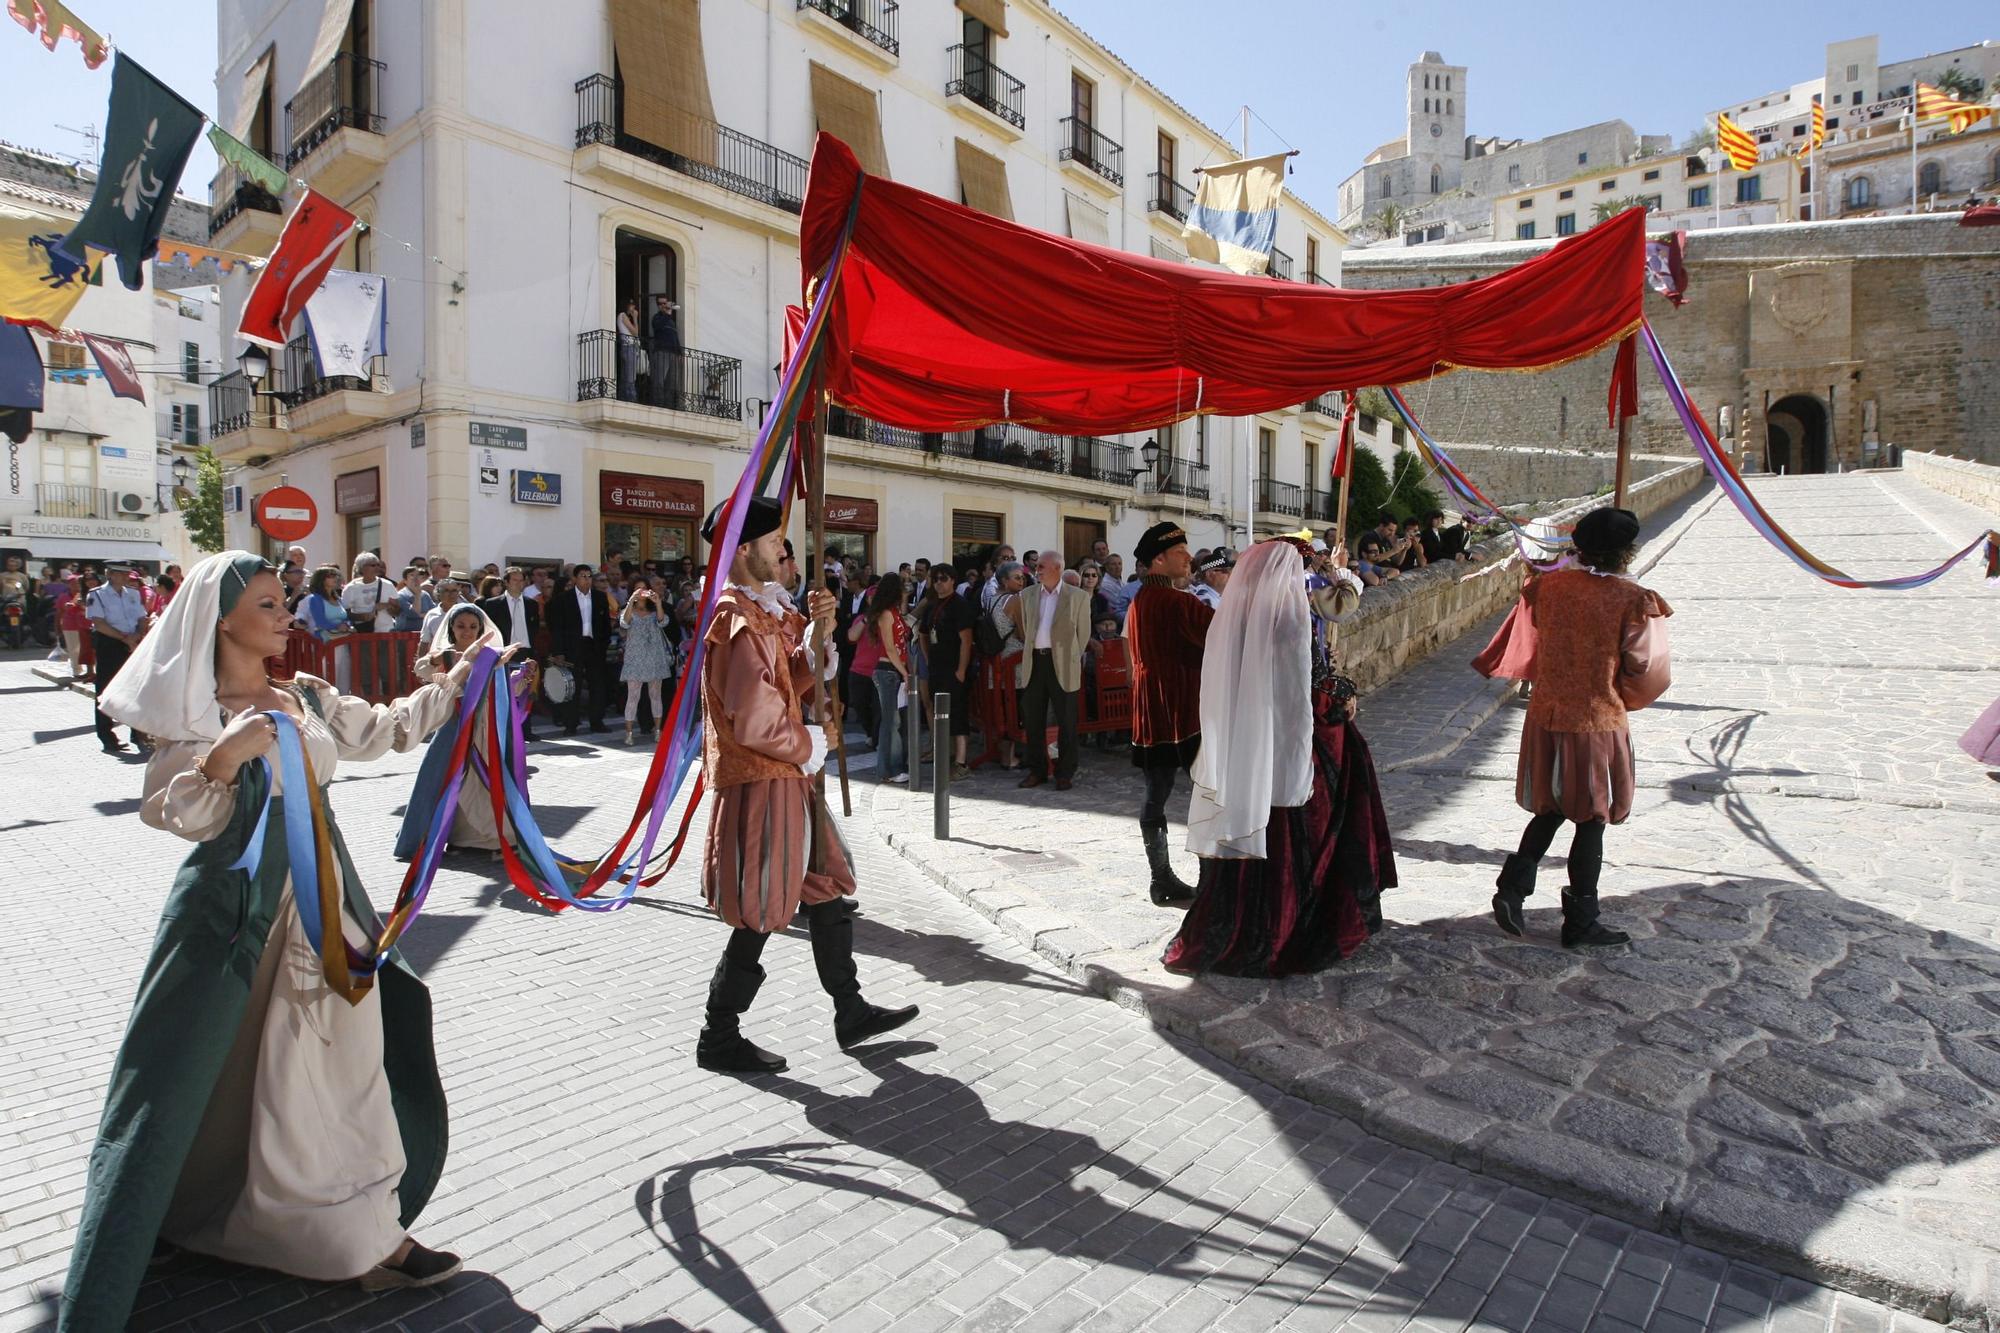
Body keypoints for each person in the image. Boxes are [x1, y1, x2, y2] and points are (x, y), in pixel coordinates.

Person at [62, 553, 472, 1333]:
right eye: (268, 604)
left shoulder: (305, 693)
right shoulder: (203, 711)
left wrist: (457, 681)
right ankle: (198, 1210)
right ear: (222, 621)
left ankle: (366, 1234)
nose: (287, 615)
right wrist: (225, 753)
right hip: (235, 913)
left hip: (326, 900)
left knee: (341, 1069)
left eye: (286, 601)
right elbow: (171, 809)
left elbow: (383, 729)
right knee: (220, 1078)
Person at [692, 497, 917, 1074]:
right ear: (745, 548)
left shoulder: (761, 610)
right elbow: (758, 718)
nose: (784, 555)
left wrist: (819, 632)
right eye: (775, 545)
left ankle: (850, 1008)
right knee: (762, 905)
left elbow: (793, 674)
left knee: (823, 883)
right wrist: (810, 743)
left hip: (790, 775)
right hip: (766, 777)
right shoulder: (735, 618)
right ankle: (719, 1033)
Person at [1164, 538, 1397, 975]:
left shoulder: (1236, 619)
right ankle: (1290, 927)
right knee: (1310, 830)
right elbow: (1299, 695)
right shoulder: (1289, 620)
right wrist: (1337, 697)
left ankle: (1239, 924)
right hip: (1286, 746)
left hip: (1248, 747)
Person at [1495, 507, 1672, 950]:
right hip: (1595, 718)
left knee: (1551, 808)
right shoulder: (1632, 600)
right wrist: (1625, 697)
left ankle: (1512, 890)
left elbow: (1530, 642)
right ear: (1625, 552)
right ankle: (1581, 920)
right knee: (1592, 818)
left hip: (1546, 714)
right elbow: (1645, 665)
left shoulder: (1546, 588)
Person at [396, 602, 532, 856]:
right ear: (451, 628)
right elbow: (422, 670)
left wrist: (523, 677)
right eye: (461, 626)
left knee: (484, 781)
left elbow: (502, 689)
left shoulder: (490, 655)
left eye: (472, 626)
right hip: (452, 727)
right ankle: (450, 837)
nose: (467, 631)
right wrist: (440, 658)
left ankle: (494, 839)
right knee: (444, 780)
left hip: (483, 727)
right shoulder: (445, 655)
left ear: (481, 628)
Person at [1126, 523, 1214, 906]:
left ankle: (1160, 879)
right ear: (1159, 560)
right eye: (1182, 551)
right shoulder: (1179, 603)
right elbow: (1224, 636)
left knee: (1156, 794)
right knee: (1210, 792)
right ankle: (1213, 882)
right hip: (1185, 707)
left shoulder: (1139, 600)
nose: (1189, 557)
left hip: (1151, 710)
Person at [1011, 551, 1091, 790]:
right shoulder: (1027, 595)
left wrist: (1073, 657)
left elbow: (1083, 634)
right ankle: (1037, 770)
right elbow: (1024, 628)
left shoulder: (1077, 596)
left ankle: (1064, 773)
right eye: (1037, 567)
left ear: (1057, 568)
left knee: (1067, 720)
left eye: (1042, 566)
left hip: (1064, 663)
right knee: (1033, 719)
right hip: (1036, 661)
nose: (1037, 570)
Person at [86, 564, 152, 754]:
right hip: (110, 642)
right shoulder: (97, 594)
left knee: (135, 689)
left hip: (133, 641)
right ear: (110, 575)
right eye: (121, 574)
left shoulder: (132, 593)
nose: (125, 577)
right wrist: (125, 638)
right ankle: (107, 736)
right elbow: (98, 623)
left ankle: (137, 733)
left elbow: (141, 617)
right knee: (105, 688)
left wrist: (137, 636)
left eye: (127, 574)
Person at [922, 561, 977, 779]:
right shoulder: (932, 605)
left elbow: (966, 640)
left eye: (943, 579)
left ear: (953, 580)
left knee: (958, 713)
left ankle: (961, 761)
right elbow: (924, 634)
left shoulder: (960, 605)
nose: (939, 583)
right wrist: (928, 659)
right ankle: (944, 755)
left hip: (955, 668)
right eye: (935, 579)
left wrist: (961, 669)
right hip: (937, 668)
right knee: (939, 713)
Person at [859, 572, 912, 784]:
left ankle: (892, 767)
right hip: (889, 671)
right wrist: (905, 672)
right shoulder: (886, 615)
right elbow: (890, 649)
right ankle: (890, 769)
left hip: (894, 670)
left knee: (894, 722)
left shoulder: (893, 612)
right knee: (891, 723)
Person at [547, 563, 612, 734]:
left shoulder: (599, 597)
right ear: (575, 579)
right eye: (583, 576)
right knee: (572, 685)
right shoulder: (564, 599)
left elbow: (605, 624)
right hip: (572, 647)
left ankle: (597, 721)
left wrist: (603, 644)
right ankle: (571, 723)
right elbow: (557, 628)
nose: (587, 579)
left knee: (597, 684)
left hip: (594, 645)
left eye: (589, 576)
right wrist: (559, 651)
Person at [481, 566, 543, 742]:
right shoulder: (493, 604)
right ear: (506, 582)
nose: (518, 583)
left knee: (527, 690)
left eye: (521, 580)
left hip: (526, 650)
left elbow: (535, 628)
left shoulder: (531, 604)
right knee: (505, 691)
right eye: (514, 580)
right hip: (505, 652)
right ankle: (506, 729)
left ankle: (526, 729)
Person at [618, 582, 673, 746]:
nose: (642, 592)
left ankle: (658, 730)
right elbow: (624, 623)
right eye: (638, 588)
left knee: (655, 695)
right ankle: (628, 733)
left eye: (644, 588)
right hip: (635, 658)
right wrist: (631, 601)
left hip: (654, 657)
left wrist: (657, 603)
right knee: (632, 696)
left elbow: (663, 622)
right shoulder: (628, 609)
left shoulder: (655, 609)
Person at [58, 569, 94, 680]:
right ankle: (77, 670)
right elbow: (60, 612)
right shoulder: (64, 596)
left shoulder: (88, 594)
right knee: (74, 649)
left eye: (78, 582)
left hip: (86, 624)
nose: (75, 585)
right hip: (70, 625)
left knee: (88, 648)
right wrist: (58, 627)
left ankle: (91, 671)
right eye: (72, 583)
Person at [648, 294, 683, 409]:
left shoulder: (671, 322)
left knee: (673, 382)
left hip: (673, 353)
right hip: (662, 351)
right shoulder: (657, 318)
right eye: (661, 304)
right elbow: (657, 326)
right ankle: (659, 403)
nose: (663, 305)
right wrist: (667, 314)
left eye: (665, 303)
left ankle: (670, 405)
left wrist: (679, 353)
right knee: (660, 379)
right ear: (658, 305)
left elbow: (674, 337)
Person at [1097, 552, 1133, 624]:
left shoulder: (1121, 583)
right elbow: (1119, 602)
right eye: (1113, 564)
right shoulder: (1105, 584)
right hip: (1113, 621)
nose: (1117, 567)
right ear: (1106, 567)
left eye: (1120, 564)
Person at [617, 297, 641, 402]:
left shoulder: (624, 316)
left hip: (629, 347)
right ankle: (630, 397)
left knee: (627, 373)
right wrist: (635, 318)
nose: (634, 307)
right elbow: (635, 332)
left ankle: (625, 396)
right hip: (628, 347)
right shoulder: (622, 315)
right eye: (632, 305)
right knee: (630, 375)